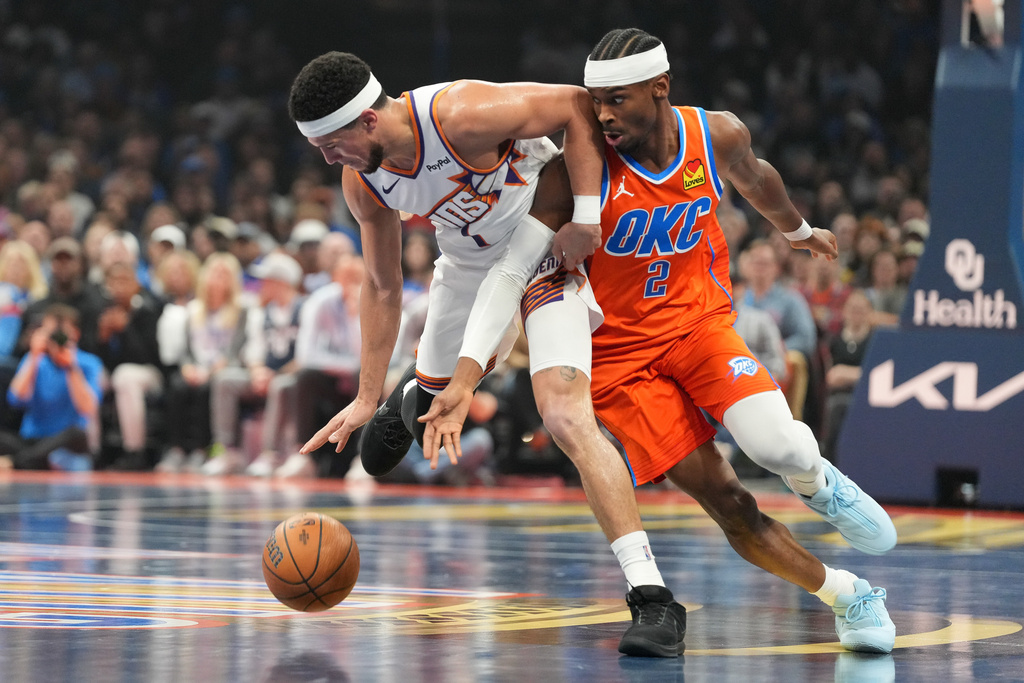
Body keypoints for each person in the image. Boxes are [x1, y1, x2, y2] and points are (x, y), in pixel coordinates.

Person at [421, 28, 897, 656]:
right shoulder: (573, 175)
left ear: (660, 88)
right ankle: (848, 594)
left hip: (696, 323)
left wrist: (799, 230)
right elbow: (510, 274)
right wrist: (462, 378)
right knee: (727, 500)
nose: (604, 115)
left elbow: (757, 180)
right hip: (620, 359)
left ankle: (817, 482)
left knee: (776, 443)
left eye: (618, 100)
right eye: (596, 102)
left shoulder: (715, 134)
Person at [288, 52, 680, 656]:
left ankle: (651, 596)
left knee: (568, 419)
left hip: (545, 248)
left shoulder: (462, 114)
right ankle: (414, 391)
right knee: (404, 429)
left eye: (330, 143)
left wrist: (581, 216)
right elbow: (384, 284)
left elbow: (577, 105)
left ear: (368, 121)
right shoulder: (361, 178)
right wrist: (367, 395)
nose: (325, 158)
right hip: (467, 265)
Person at [0, 304, 102, 471]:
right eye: (51, 333)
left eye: (61, 334)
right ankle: (35, 460)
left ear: (75, 333)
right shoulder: (35, 360)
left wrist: (71, 367)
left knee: (77, 433)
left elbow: (87, 408)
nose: (56, 339)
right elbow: (16, 399)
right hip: (34, 439)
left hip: (66, 440)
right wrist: (34, 357)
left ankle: (17, 462)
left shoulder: (88, 363)